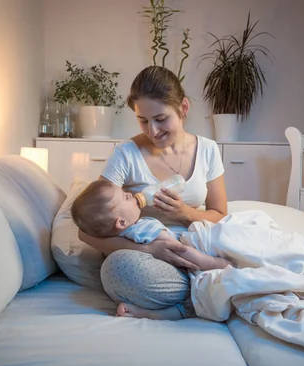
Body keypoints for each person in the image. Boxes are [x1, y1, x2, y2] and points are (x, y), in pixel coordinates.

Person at [77, 65, 227, 320]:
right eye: (143, 120)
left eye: (160, 119)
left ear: (183, 108)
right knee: (116, 270)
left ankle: (206, 290)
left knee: (250, 240)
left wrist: (185, 213)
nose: (152, 131)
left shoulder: (208, 150)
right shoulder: (126, 154)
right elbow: (87, 231)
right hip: (150, 258)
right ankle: (218, 288)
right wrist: (149, 251)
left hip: (197, 248)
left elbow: (221, 215)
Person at [71, 179, 231, 271]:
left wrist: (182, 211)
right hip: (190, 251)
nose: (129, 193)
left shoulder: (128, 231)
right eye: (125, 198)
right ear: (121, 222)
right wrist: (212, 263)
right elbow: (177, 249)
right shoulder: (142, 229)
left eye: (161, 119)